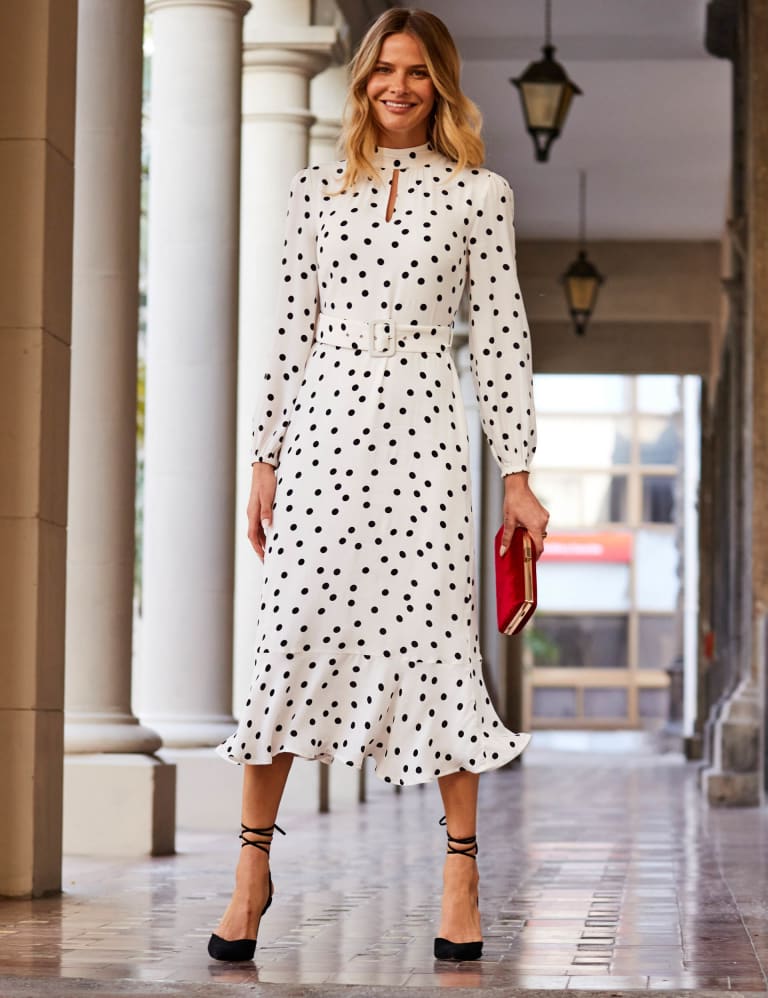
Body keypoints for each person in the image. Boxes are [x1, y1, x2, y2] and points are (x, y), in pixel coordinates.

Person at [208, 6, 549, 965]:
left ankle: (460, 874)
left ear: (441, 83)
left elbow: (503, 342)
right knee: (289, 633)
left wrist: (517, 476)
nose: (398, 86)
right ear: (362, 82)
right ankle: (249, 871)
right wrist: (265, 459)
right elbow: (287, 332)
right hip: (323, 429)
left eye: (417, 72)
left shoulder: (481, 195)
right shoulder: (314, 190)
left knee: (437, 637)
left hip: (427, 433)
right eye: (382, 70)